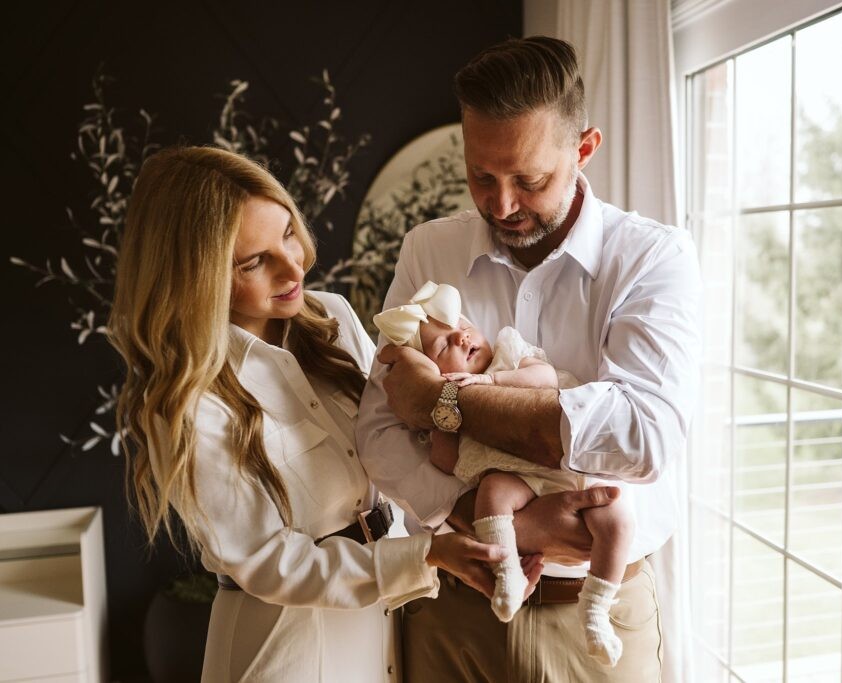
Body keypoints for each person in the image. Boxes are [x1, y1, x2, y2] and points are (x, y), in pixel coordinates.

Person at [108, 146, 533, 683]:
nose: (295, 266)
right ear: (195, 278)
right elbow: (268, 561)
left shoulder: (332, 317)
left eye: (287, 233)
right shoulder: (189, 401)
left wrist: (498, 527)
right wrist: (426, 555)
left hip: (381, 627)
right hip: (285, 648)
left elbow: (395, 446)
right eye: (253, 261)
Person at [356, 36, 701, 682]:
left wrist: (441, 402)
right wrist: (501, 523)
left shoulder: (654, 259)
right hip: (454, 604)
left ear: (584, 148)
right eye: (481, 176)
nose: (503, 203)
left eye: (529, 179)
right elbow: (378, 429)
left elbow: (643, 433)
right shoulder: (428, 251)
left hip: (598, 617)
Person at [374, 281, 633, 666]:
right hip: (518, 482)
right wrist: (436, 403)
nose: (461, 337)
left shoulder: (508, 355)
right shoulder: (446, 406)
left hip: (570, 471)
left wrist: (489, 383)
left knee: (616, 519)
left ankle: (596, 608)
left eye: (462, 326)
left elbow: (544, 379)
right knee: (491, 493)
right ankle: (507, 572)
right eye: (443, 346)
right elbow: (445, 463)